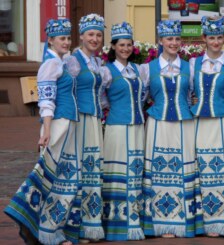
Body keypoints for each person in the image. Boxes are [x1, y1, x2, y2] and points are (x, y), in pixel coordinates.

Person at [4, 19, 78, 245]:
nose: (66, 42)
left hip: (68, 123)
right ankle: (44, 230)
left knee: (64, 178)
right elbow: (46, 100)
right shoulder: (50, 65)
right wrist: (46, 130)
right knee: (52, 177)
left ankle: (52, 230)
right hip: (57, 124)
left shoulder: (64, 63)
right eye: (61, 38)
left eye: (67, 38)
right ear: (51, 40)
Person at [140, 19, 197, 238]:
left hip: (184, 123)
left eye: (177, 39)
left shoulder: (189, 67)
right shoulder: (148, 68)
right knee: (160, 170)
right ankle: (161, 222)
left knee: (183, 168)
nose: (173, 43)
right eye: (169, 38)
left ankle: (182, 220)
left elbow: (193, 93)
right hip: (158, 123)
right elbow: (141, 97)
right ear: (160, 40)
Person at [189, 16, 224, 237]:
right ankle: (202, 220)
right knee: (201, 167)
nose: (216, 42)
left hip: (222, 121)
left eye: (220, 37)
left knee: (221, 169)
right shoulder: (193, 64)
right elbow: (188, 91)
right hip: (199, 121)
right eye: (212, 38)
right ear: (204, 39)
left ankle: (222, 220)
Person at [101, 22, 145, 241]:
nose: (125, 48)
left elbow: (143, 95)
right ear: (114, 47)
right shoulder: (107, 71)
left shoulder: (137, 70)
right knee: (119, 172)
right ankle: (117, 223)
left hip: (137, 127)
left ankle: (134, 219)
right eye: (121, 45)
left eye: (128, 45)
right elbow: (100, 98)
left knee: (135, 170)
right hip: (118, 127)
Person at [66, 13, 105, 242]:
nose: (95, 39)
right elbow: (64, 89)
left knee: (92, 171)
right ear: (81, 36)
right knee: (78, 169)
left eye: (99, 35)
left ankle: (90, 225)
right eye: (91, 34)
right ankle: (74, 226)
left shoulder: (98, 63)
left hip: (93, 120)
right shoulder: (73, 61)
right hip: (78, 119)